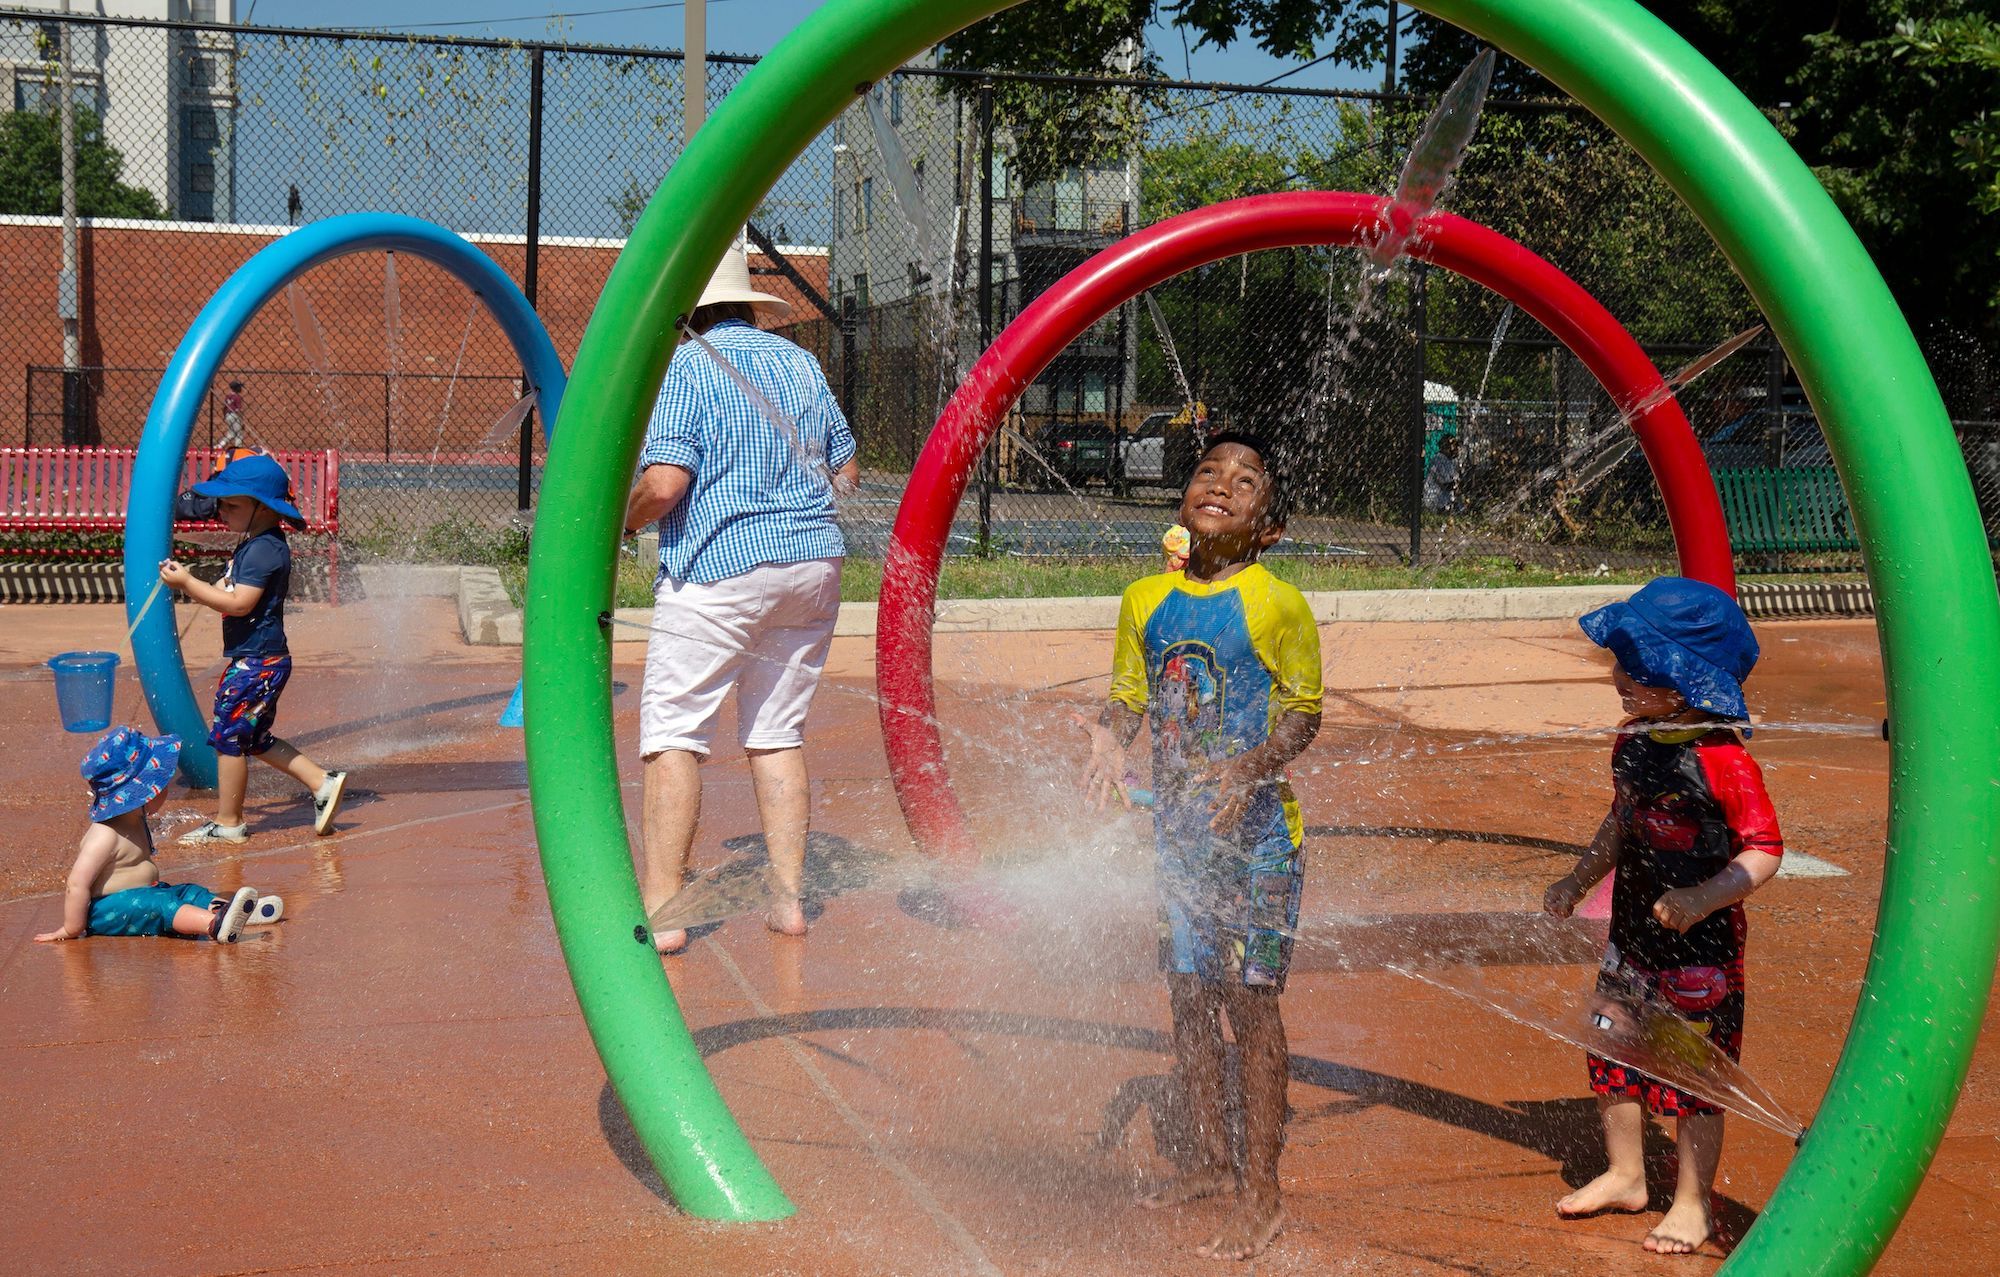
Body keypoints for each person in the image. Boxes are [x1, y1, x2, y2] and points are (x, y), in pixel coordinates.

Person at [1083, 432, 1323, 1261]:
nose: (1220, 482)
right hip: (1179, 841)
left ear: (1270, 526)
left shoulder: (1278, 601)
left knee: (1251, 1007)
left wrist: (1250, 767)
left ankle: (1263, 1191)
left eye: (1246, 479)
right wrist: (1110, 740)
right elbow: (1127, 695)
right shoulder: (1144, 598)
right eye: (1207, 471)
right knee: (1188, 995)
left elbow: (1304, 712)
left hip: (1260, 845)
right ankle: (1211, 1162)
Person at [622, 237, 858, 954]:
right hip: (812, 565)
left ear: (685, 308)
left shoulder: (688, 365)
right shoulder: (800, 361)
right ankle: (786, 898)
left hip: (722, 568)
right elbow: (845, 476)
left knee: (674, 732)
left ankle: (665, 905)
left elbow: (664, 487)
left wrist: (613, 521)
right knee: (776, 732)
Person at [1543, 576, 1784, 1256]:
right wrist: (1577, 876)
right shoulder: (1634, 740)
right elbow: (1620, 823)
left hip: (1698, 952)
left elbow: (1766, 848)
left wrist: (1705, 896)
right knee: (1606, 1037)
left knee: (1693, 1074)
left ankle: (1692, 1201)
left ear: (1683, 680)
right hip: (1631, 939)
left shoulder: (1724, 760)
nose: (1619, 675)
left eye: (1636, 664)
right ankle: (1625, 1172)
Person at [160, 453, 348, 845]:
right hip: (262, 659)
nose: (221, 512)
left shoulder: (264, 549)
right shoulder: (257, 543)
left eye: (232, 505)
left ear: (262, 507)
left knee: (229, 738)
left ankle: (229, 823)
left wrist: (188, 585)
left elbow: (240, 603)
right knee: (254, 738)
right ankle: (322, 782)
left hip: (256, 664)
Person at [37, 725, 281, 943]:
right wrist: (72, 927)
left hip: (145, 894)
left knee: (188, 891)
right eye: (160, 785)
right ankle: (212, 925)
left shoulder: (133, 818)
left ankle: (233, 912)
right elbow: (77, 884)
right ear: (141, 795)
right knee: (163, 905)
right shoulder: (105, 835)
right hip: (110, 910)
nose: (165, 790)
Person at [1422, 431, 1461, 514]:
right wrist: (1458, 485)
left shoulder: (1450, 461)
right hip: (1434, 499)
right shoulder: (1439, 459)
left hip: (1444, 498)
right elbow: (1447, 485)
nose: (1456, 449)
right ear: (1446, 447)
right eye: (1454, 446)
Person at [220, 381, 247, 448]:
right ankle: (238, 449)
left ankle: (220, 446)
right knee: (239, 434)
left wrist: (225, 417)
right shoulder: (237, 397)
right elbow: (238, 410)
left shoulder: (228, 396)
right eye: (239, 387)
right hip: (234, 416)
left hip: (227, 415)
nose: (241, 389)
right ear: (236, 388)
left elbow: (224, 408)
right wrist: (242, 421)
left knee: (231, 434)